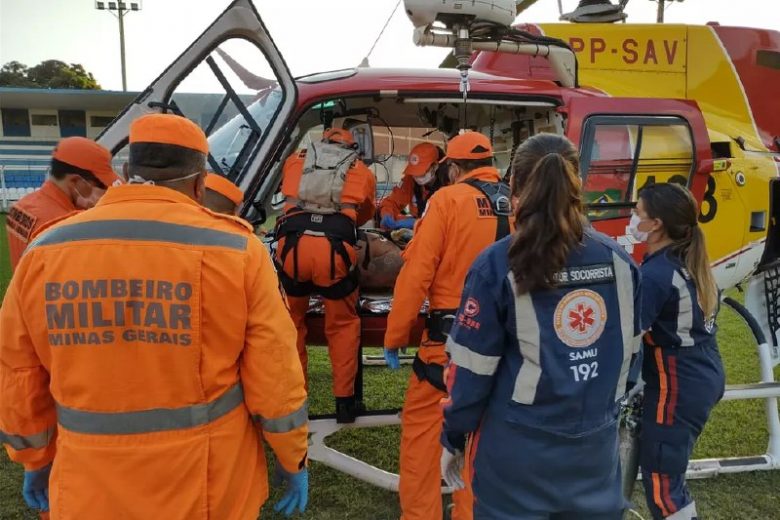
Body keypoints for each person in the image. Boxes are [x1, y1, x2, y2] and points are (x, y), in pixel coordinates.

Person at [0, 113, 309, 519]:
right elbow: (275, 372)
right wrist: (292, 457)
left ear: (127, 171)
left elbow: (20, 371)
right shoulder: (238, 251)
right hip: (207, 483)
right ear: (200, 184)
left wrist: (36, 459)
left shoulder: (45, 251)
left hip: (89, 483)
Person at [440, 133, 642, 519]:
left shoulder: (497, 265)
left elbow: (471, 371)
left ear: (513, 185)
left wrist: (452, 435)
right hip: (594, 455)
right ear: (576, 184)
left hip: (517, 457)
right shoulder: (620, 261)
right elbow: (630, 360)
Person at [384, 131, 512, 520]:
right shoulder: (520, 204)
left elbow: (416, 275)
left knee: (421, 444)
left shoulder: (446, 200)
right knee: (479, 447)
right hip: (504, 350)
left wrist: (396, 336)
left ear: (453, 168)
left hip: (447, 347)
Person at [631, 183, 725, 520]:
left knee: (662, 481)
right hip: (700, 369)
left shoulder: (657, 274)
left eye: (637, 212)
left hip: (678, 381)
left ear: (656, 223)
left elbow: (630, 337)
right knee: (666, 471)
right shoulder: (682, 258)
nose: (632, 218)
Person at [274, 127, 376, 423]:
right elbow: (366, 212)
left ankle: (296, 400)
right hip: (335, 252)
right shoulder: (361, 170)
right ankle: (345, 403)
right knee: (342, 326)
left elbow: (285, 195)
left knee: (291, 324)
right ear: (351, 146)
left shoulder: (296, 160)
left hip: (292, 248)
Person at [4, 136, 121, 271]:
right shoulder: (65, 224)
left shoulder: (21, 206)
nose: (105, 192)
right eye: (102, 186)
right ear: (76, 181)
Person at [379, 142, 444, 230]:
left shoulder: (449, 184)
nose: (417, 176)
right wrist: (387, 214)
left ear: (435, 166)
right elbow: (392, 202)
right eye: (414, 172)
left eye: (421, 172)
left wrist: (418, 223)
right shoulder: (410, 180)